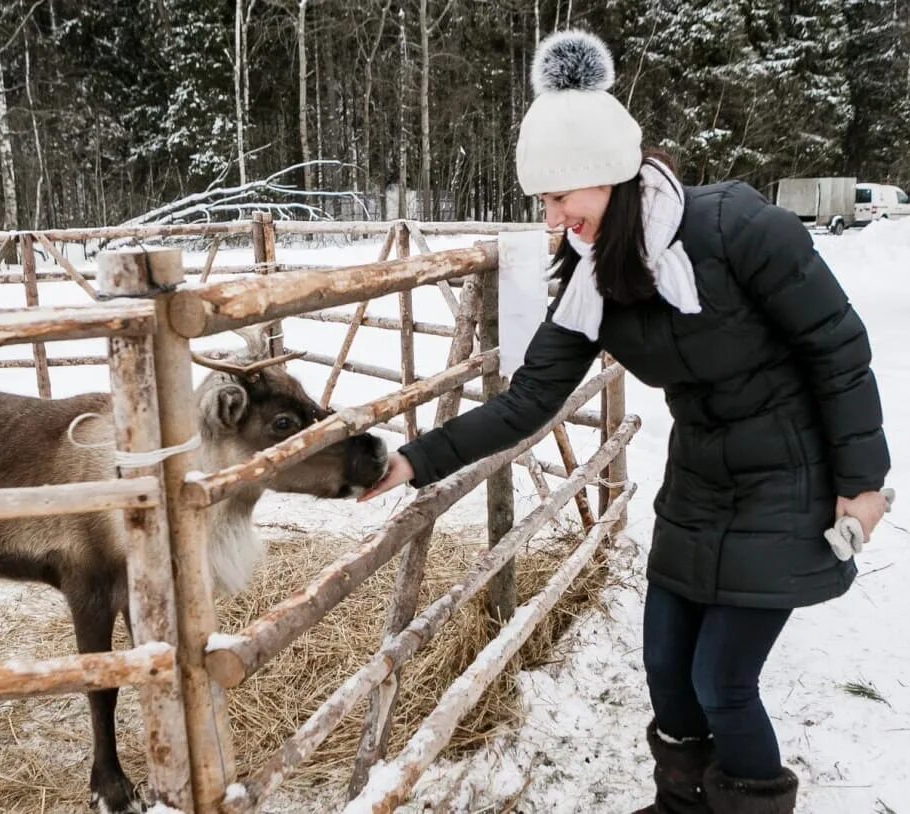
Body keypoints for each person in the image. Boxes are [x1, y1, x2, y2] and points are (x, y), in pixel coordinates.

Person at [359, 29, 891, 814]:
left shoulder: (737, 231)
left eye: (558, 197)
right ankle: (680, 806)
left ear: (607, 177)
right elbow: (528, 399)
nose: (552, 218)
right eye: (542, 202)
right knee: (668, 671)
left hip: (792, 476)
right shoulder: (590, 282)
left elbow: (837, 349)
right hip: (700, 482)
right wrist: (412, 460)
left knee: (723, 682)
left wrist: (862, 483)